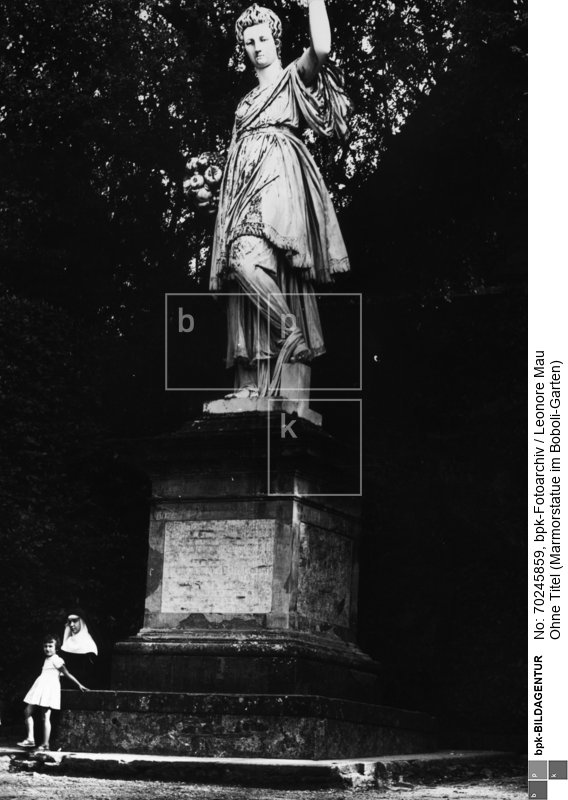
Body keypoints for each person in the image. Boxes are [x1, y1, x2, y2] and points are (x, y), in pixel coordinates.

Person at [210, 0, 351, 397]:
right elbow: (234, 157)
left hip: (279, 179)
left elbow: (321, 48)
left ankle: (289, 333)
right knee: (243, 273)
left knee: (244, 258)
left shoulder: (291, 78)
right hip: (243, 189)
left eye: (263, 39)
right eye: (249, 42)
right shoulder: (244, 104)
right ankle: (254, 381)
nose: (257, 47)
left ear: (275, 41)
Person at [18, 634, 88, 751]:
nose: (47, 649)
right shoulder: (47, 659)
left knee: (45, 716)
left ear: (56, 648)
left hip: (48, 689)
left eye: (50, 646)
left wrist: (79, 684)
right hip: (40, 687)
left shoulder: (56, 659)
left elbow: (67, 673)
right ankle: (30, 738)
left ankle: (45, 744)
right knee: (27, 711)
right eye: (45, 646)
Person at [61, 610, 98, 687]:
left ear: (82, 622)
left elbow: (91, 672)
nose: (71, 625)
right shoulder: (67, 643)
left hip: (84, 685)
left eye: (75, 621)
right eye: (69, 622)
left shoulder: (89, 644)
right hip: (66, 685)